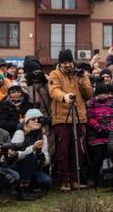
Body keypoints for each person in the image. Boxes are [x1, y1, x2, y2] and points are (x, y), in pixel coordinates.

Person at [48, 49, 93, 191]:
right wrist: (64, 96)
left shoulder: (79, 74)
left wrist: (82, 80)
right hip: (61, 118)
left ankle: (75, 179)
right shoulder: (54, 74)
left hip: (79, 117)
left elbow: (89, 95)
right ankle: (64, 180)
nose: (67, 65)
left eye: (69, 62)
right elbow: (53, 90)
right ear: (60, 63)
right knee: (63, 150)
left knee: (78, 150)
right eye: (64, 63)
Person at [10, 108, 52, 199]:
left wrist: (43, 159)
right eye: (33, 119)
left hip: (33, 169)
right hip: (18, 167)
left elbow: (46, 159)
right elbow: (14, 155)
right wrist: (32, 148)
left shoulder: (42, 136)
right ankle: (22, 190)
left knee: (47, 181)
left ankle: (29, 186)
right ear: (27, 121)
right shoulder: (20, 133)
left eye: (39, 119)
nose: (37, 121)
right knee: (31, 156)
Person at [86, 82, 113, 187]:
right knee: (97, 158)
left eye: (104, 93)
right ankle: (94, 178)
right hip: (96, 135)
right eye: (100, 93)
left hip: (109, 134)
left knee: (108, 157)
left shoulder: (111, 103)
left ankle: (107, 178)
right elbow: (90, 118)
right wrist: (99, 128)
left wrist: (110, 128)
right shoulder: (92, 104)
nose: (102, 96)